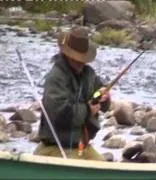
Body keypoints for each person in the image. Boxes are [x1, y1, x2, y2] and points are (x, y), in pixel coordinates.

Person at [33, 26, 111, 161]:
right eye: (76, 59)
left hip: (80, 146)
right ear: (67, 55)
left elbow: (102, 103)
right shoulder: (56, 77)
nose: (80, 63)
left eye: (82, 59)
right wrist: (88, 110)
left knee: (103, 166)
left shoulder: (88, 74)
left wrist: (104, 98)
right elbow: (60, 114)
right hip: (56, 146)